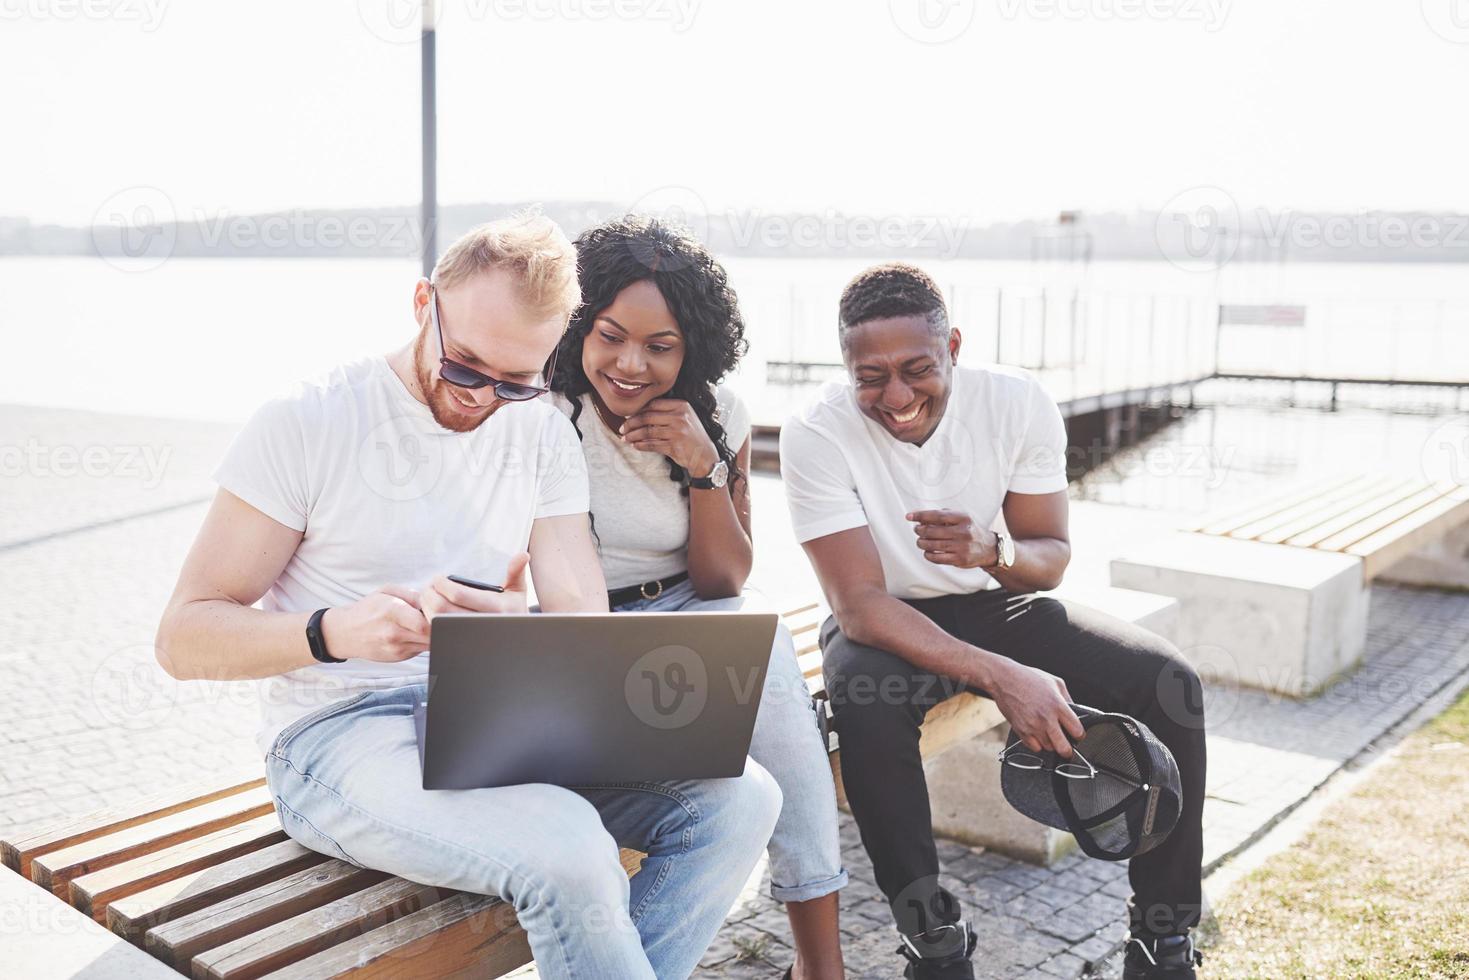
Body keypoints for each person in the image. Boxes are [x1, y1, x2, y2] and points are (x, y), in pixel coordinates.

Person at [154, 213, 781, 980]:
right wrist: (331, 632)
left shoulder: (543, 431)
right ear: (424, 303)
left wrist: (520, 626)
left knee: (741, 800)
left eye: (519, 380)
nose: (484, 398)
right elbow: (183, 638)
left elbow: (581, 615)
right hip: (333, 736)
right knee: (568, 846)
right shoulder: (307, 420)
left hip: (492, 717)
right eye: (466, 367)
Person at [779, 262, 1208, 980]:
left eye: (916, 368)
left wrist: (991, 548)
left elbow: (1051, 558)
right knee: (862, 703)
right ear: (845, 368)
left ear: (952, 345)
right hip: (886, 623)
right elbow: (857, 604)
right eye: (870, 378)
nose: (895, 396)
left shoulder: (1015, 401)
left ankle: (1160, 936)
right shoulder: (815, 431)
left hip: (992, 602)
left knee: (1169, 682)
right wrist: (1001, 678)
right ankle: (933, 936)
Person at [550, 215, 848, 980]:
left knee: (764, 637)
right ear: (577, 325)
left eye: (660, 346)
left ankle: (819, 965)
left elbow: (723, 579)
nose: (630, 363)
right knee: (763, 672)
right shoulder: (542, 414)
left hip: (686, 611)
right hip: (570, 632)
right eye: (610, 335)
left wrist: (705, 466)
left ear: (692, 349)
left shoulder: (718, 413)